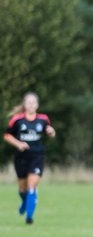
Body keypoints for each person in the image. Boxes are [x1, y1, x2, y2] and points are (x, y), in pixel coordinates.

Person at [4, 92, 56, 225]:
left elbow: (50, 131)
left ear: (37, 105)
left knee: (32, 186)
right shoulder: (17, 119)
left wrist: (51, 132)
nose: (31, 105)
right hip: (21, 157)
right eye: (29, 102)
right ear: (25, 105)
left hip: (37, 156)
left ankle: (29, 217)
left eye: (33, 102)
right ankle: (24, 203)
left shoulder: (43, 119)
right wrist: (19, 144)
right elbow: (7, 136)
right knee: (22, 188)